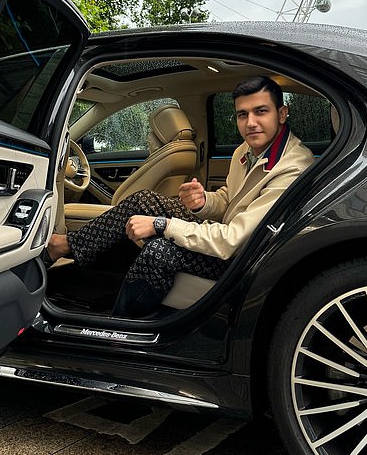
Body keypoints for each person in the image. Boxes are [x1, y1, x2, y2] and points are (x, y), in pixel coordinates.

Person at [47, 75, 314, 318]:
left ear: (282, 114)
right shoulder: (247, 150)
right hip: (228, 234)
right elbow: (228, 200)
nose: (250, 122)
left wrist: (162, 225)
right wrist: (203, 202)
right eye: (242, 115)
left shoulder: (292, 167)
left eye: (261, 112)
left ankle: (121, 324)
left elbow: (231, 242)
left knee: (160, 251)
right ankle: (64, 244)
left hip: (244, 261)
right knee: (144, 201)